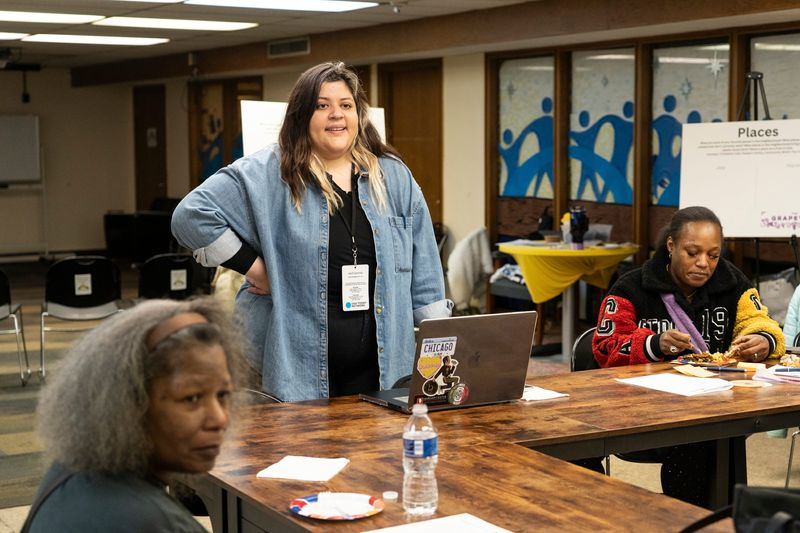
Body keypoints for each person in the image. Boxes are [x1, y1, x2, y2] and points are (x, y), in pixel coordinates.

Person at [172, 61, 451, 401]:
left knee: (379, 454)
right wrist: (258, 270)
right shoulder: (268, 173)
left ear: (358, 115)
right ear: (301, 115)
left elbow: (424, 272)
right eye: (322, 105)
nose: (336, 114)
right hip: (294, 373)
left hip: (384, 372)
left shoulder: (393, 177)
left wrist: (441, 350)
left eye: (346, 105)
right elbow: (190, 216)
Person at [590, 205, 785, 507]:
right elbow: (605, 345)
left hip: (713, 408)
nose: (703, 264)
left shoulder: (733, 282)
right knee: (701, 442)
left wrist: (763, 339)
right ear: (671, 245)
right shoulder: (631, 287)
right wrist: (654, 344)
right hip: (641, 413)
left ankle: (715, 517)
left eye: (713, 255)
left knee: (716, 437)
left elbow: (760, 321)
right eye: (692, 253)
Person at [23, 298, 243, 532]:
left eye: (223, 395)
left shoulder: (66, 472)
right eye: (191, 399)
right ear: (127, 405)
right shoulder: (153, 523)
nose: (220, 419)